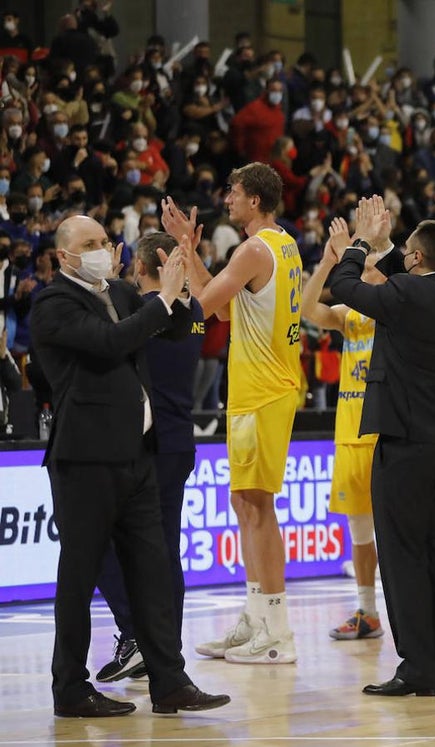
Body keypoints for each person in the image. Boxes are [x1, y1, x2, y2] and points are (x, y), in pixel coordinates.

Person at [29, 215, 228, 717]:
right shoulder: (53, 302)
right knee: (79, 578)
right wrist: (162, 300)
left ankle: (170, 682)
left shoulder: (120, 292)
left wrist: (180, 287)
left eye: (104, 240)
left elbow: (177, 329)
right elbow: (110, 343)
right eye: (89, 243)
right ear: (64, 255)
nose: (102, 248)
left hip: (139, 455)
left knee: (152, 572)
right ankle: (70, 689)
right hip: (85, 459)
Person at [329, 198, 435, 697]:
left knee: (403, 557)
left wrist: (360, 243)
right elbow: (407, 280)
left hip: (407, 444)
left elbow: (344, 285)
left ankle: (417, 668)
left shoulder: (405, 295)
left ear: (417, 259)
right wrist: (391, 246)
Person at [165, 163, 304, 666]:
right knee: (246, 504)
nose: (227, 199)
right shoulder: (282, 245)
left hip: (263, 392)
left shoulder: (253, 250)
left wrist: (181, 255)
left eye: (234, 192)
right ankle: (256, 615)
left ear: (255, 201)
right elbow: (227, 308)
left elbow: (201, 306)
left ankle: (277, 629)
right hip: (261, 390)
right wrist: (190, 250)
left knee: (258, 507)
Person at [91, 232, 205, 683]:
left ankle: (138, 635)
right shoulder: (194, 310)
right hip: (180, 440)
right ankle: (164, 649)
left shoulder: (142, 312)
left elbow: (109, 341)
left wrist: (106, 284)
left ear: (139, 267)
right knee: (166, 552)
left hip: (147, 444)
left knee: (99, 540)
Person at [300, 218, 386, 641]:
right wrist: (327, 262)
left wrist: (375, 244)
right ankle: (367, 612)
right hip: (351, 433)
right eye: (360, 266)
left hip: (387, 433)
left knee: (398, 531)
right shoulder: (348, 314)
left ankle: (416, 610)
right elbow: (306, 309)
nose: (362, 272)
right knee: (360, 532)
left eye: (369, 266)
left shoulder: (396, 309)